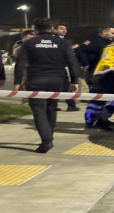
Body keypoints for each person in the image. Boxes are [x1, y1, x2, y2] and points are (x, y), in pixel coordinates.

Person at [12, 18, 79, 153]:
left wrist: (17, 82)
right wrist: (74, 81)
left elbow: (20, 64)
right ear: (52, 28)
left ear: (35, 29)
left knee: (38, 110)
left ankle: (46, 140)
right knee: (52, 108)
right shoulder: (63, 43)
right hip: (57, 79)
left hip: (35, 79)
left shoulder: (29, 43)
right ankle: (50, 136)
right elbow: (72, 63)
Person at [75, 24, 114, 127]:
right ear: (104, 32)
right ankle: (93, 120)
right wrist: (84, 63)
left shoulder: (105, 42)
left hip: (100, 73)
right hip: (95, 73)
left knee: (100, 99)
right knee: (98, 99)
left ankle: (97, 120)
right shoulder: (95, 40)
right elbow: (79, 50)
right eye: (112, 33)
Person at [87, 38, 114, 131]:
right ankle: (102, 122)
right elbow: (111, 64)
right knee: (113, 101)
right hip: (109, 77)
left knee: (98, 102)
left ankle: (91, 121)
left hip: (100, 75)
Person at [53, 23, 80, 112]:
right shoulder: (54, 40)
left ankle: (56, 105)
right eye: (61, 29)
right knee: (65, 87)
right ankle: (71, 105)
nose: (64, 30)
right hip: (58, 67)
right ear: (55, 29)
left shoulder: (66, 40)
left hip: (62, 67)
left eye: (65, 29)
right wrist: (72, 48)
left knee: (61, 87)